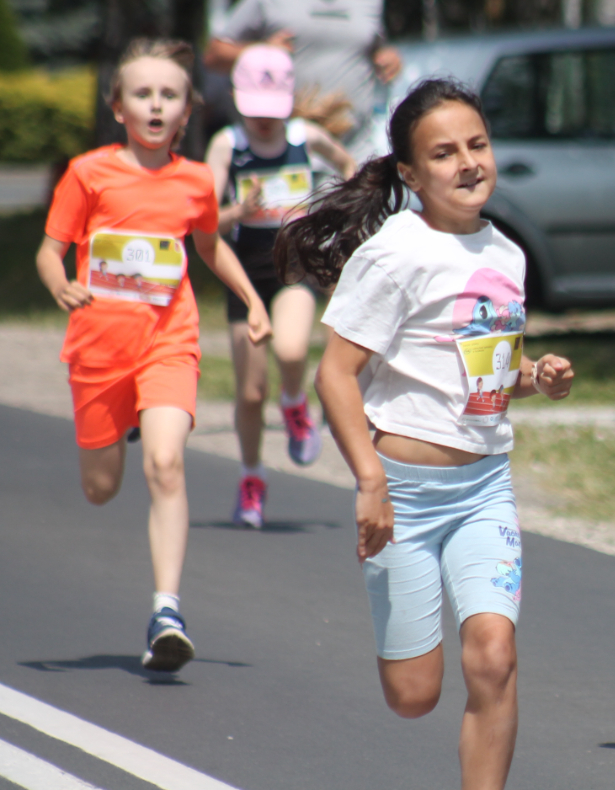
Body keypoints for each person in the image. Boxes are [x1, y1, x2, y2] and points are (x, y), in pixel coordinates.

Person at [279, 78, 575, 790]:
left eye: (477, 144)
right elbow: (336, 375)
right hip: (404, 495)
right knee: (413, 696)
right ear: (410, 173)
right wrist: (371, 484)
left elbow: (484, 372)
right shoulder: (394, 253)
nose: (468, 162)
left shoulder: (506, 255)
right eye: (444, 154)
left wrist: (535, 377)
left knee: (494, 656)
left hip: (483, 488)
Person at [35, 38, 272, 673]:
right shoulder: (88, 173)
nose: (156, 104)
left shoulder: (195, 180)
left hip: (169, 342)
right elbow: (49, 250)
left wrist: (251, 298)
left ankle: (167, 610)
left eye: (170, 94)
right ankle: (127, 422)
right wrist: (60, 283)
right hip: (98, 351)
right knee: (101, 489)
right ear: (118, 107)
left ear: (187, 111)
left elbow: (209, 245)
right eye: (142, 94)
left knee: (166, 465)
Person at [205, 44, 356, 529]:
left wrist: (340, 212)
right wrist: (237, 213)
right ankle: (252, 478)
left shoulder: (304, 137)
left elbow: (350, 167)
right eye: (255, 111)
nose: (264, 122)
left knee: (292, 351)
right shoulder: (228, 145)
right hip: (243, 274)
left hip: (293, 268)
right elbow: (204, 220)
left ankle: (294, 403)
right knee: (250, 393)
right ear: (236, 99)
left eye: (272, 110)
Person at [204, 0, 402, 160]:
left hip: (358, 150)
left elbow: (376, 49)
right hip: (291, 147)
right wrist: (262, 51)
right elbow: (213, 55)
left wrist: (388, 58)